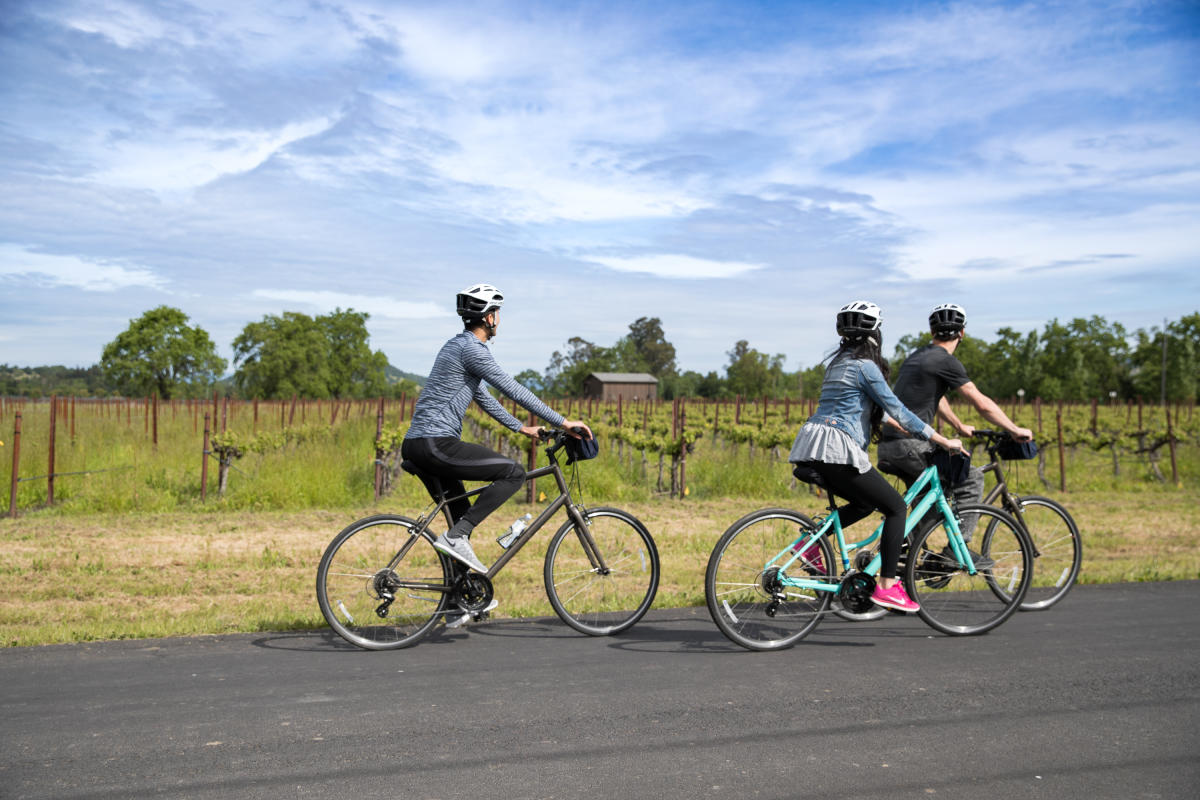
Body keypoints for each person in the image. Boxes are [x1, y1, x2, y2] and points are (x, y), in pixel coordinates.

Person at [401, 283, 592, 625]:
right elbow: (512, 388)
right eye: (497, 314)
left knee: (462, 518)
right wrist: (563, 423)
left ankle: (460, 601)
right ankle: (455, 539)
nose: (499, 320)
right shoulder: (473, 350)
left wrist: (522, 428)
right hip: (435, 442)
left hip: (421, 443)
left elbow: (485, 398)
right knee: (513, 473)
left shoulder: (456, 347)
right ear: (488, 317)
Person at [789, 301, 965, 613]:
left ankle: (809, 543)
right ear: (875, 333)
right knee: (896, 507)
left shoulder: (838, 364)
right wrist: (941, 439)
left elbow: (880, 413)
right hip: (838, 449)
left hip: (810, 446)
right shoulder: (866, 367)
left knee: (865, 503)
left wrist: (912, 430)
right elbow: (898, 409)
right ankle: (886, 587)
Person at [877, 303, 1033, 555]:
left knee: (929, 499)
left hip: (890, 445)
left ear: (932, 331)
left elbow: (933, 397)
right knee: (972, 478)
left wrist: (958, 425)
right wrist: (1014, 429)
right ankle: (956, 551)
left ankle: (907, 553)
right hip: (911, 444)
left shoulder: (918, 357)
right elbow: (981, 403)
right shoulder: (945, 361)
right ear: (962, 333)